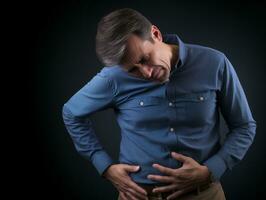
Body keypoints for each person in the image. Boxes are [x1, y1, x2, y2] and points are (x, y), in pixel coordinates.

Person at [62, 8, 256, 200]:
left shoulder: (215, 63)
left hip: (204, 193)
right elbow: (71, 113)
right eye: (133, 70)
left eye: (144, 59)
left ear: (156, 34)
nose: (146, 73)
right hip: (138, 195)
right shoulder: (113, 77)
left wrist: (212, 170)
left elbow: (244, 127)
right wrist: (104, 166)